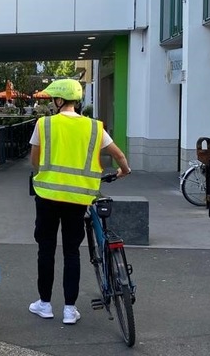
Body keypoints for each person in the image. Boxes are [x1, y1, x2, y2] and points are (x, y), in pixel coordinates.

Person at [28, 79, 131, 325]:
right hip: (78, 199)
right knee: (72, 252)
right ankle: (69, 309)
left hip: (47, 196)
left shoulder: (44, 125)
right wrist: (124, 171)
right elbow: (117, 154)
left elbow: (35, 160)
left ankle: (44, 304)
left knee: (46, 250)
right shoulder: (94, 127)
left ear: (59, 100)